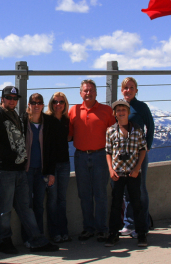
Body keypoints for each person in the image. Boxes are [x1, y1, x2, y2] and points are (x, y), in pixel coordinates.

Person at [0, 86, 59, 254]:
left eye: (14, 98)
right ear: (2, 98)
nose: (12, 100)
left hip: (19, 170)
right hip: (4, 169)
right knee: (4, 207)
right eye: (8, 97)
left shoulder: (15, 115)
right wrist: (11, 156)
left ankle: (37, 239)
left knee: (25, 207)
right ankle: (3, 241)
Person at [69, 79, 116, 242]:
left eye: (91, 90)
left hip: (100, 156)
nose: (88, 93)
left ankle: (102, 229)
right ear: (80, 93)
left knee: (100, 194)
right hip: (80, 156)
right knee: (84, 195)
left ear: (96, 93)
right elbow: (68, 134)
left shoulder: (106, 110)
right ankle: (88, 228)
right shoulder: (73, 110)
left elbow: (114, 136)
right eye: (85, 90)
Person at [105, 99, 148, 247]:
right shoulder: (110, 131)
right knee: (116, 205)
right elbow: (108, 152)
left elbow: (143, 149)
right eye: (118, 111)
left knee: (137, 204)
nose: (121, 113)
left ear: (128, 112)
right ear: (114, 114)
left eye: (124, 110)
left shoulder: (137, 130)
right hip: (117, 174)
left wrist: (137, 168)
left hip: (133, 173)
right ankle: (113, 234)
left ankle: (141, 234)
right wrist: (110, 169)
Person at [20, 93, 58, 247]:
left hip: (42, 170)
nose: (36, 106)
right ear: (28, 105)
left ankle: (40, 237)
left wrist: (51, 172)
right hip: (26, 170)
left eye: (39, 103)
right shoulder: (22, 121)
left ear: (43, 105)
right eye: (33, 103)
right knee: (26, 205)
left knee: (39, 205)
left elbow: (52, 150)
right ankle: (28, 239)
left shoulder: (48, 122)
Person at [119, 77, 155, 238]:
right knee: (127, 190)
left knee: (140, 189)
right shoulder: (119, 107)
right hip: (122, 154)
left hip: (138, 153)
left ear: (136, 90)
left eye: (131, 87)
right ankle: (128, 223)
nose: (128, 90)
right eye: (126, 87)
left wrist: (147, 146)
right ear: (122, 90)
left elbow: (151, 126)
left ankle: (142, 224)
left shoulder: (141, 107)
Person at [45, 92, 72, 243]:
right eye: (55, 102)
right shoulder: (47, 120)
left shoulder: (67, 120)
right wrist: (49, 171)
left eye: (61, 102)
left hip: (65, 164)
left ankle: (64, 231)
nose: (58, 104)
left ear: (65, 104)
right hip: (52, 165)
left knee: (62, 199)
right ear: (51, 103)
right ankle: (54, 232)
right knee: (52, 199)